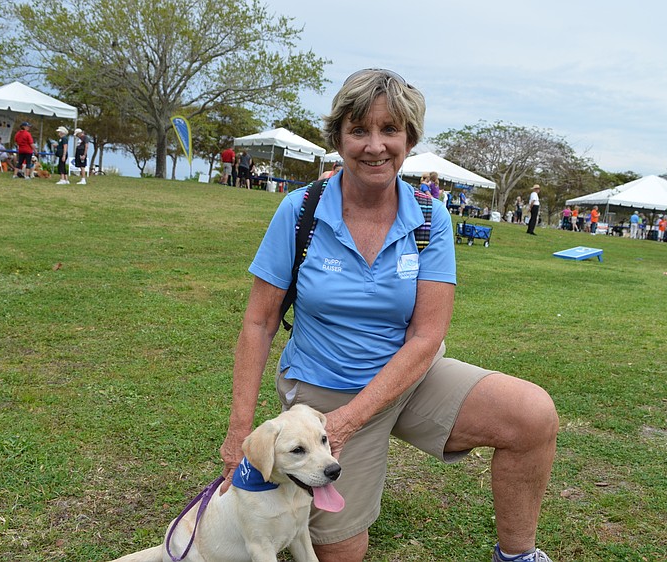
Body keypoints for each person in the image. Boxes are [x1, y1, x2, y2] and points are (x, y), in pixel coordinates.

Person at [219, 68, 558, 562]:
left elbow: (426, 337)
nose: (374, 146)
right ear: (337, 138)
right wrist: (241, 433)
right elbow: (259, 322)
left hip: (407, 374)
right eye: (358, 130)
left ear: (410, 138)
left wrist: (354, 421)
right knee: (340, 551)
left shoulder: (430, 216)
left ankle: (517, 556)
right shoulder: (301, 211)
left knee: (531, 415)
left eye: (390, 130)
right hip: (326, 391)